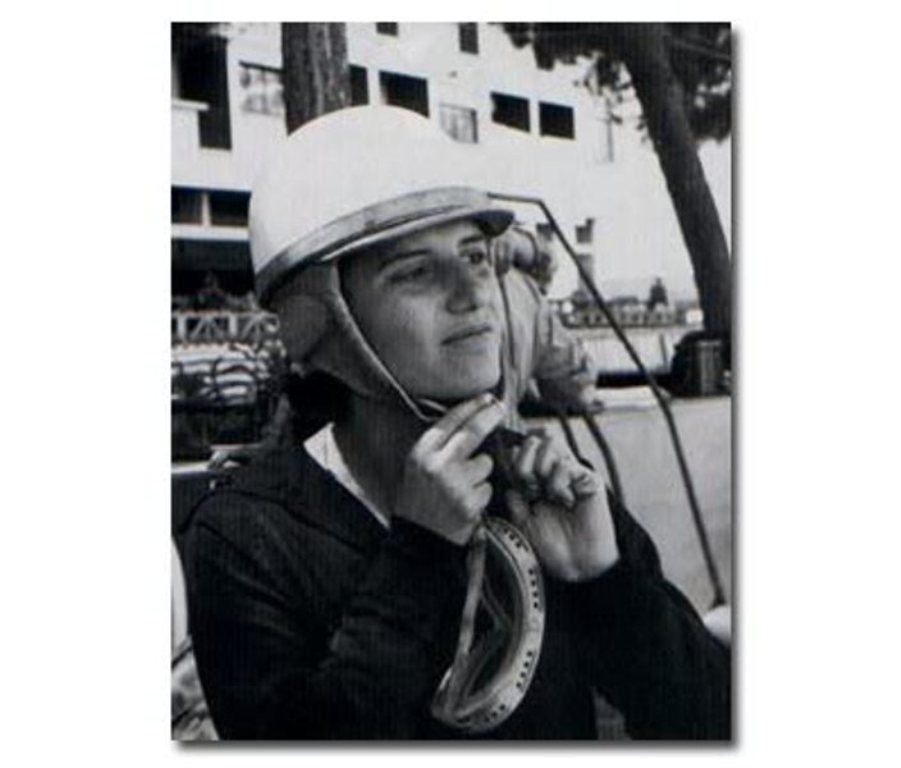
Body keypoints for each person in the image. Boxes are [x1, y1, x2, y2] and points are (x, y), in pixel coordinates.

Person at [180, 106, 730, 740]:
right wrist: (419, 554)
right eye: (416, 272)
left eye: (475, 257)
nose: (473, 295)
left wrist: (606, 584)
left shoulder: (546, 490)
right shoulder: (245, 537)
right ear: (317, 320)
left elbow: (716, 724)